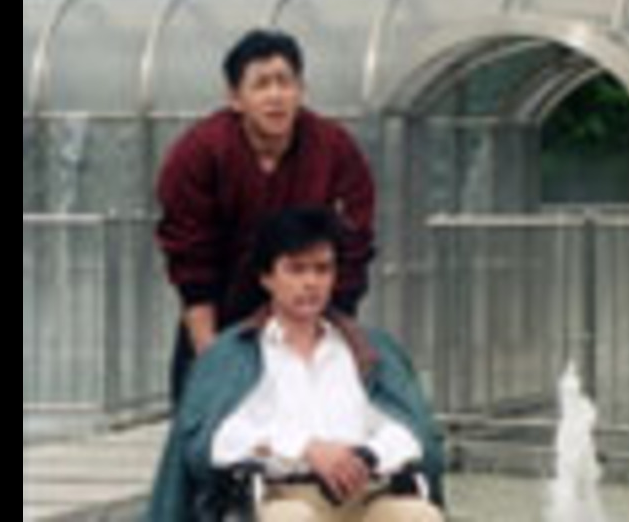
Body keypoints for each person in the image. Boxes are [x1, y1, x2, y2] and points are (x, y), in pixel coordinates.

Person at [147, 208, 444, 522]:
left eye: (322, 269)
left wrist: (368, 455)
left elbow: (414, 431)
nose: (311, 282)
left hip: (369, 492)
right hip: (279, 496)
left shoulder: (368, 349)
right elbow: (215, 441)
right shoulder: (234, 355)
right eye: (296, 269)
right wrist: (305, 449)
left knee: (417, 516)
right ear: (267, 277)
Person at [156, 30, 377, 404]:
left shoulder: (334, 148)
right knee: (208, 421)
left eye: (284, 82)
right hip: (222, 308)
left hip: (310, 313)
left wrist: (331, 338)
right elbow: (190, 258)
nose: (275, 96)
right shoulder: (198, 153)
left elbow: (353, 243)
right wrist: (211, 357)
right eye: (261, 84)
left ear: (301, 90)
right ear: (235, 98)